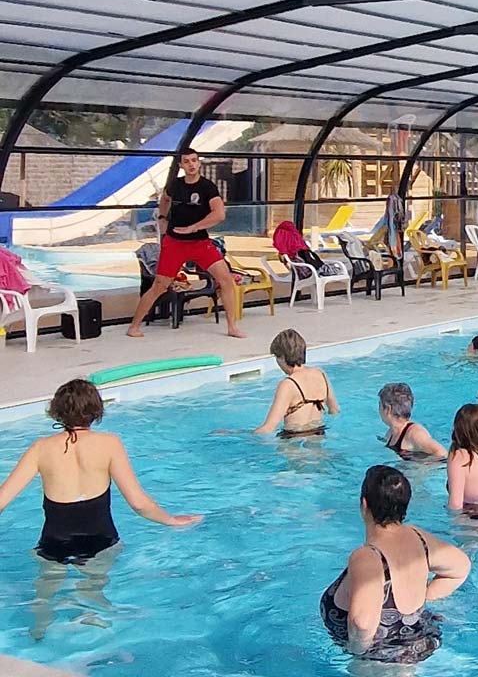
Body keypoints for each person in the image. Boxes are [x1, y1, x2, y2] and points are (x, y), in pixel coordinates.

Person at [0, 379, 202, 563]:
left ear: (57, 411)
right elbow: (138, 503)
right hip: (101, 540)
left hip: (54, 543)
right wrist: (171, 520)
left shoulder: (40, 448)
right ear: (96, 410)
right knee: (94, 599)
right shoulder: (110, 444)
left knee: (43, 601)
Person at [320, 465, 471, 662]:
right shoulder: (419, 538)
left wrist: (355, 655)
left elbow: (362, 624)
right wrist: (425, 598)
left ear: (364, 505)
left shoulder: (367, 557)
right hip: (419, 647)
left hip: (377, 665)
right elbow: (461, 567)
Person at [127, 149, 245, 338]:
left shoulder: (208, 187)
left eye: (194, 160)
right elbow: (165, 199)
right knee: (159, 285)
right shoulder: (175, 185)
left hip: (200, 243)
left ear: (199, 163)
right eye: (187, 161)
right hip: (175, 243)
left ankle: (232, 327)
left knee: (226, 280)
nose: (191, 164)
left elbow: (219, 214)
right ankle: (134, 327)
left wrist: (194, 227)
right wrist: (163, 218)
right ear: (181, 166)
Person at [254, 329, 339, 437]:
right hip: (319, 432)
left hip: (293, 437)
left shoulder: (288, 385)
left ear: (283, 357)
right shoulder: (320, 374)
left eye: (276, 357)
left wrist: (241, 436)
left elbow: (269, 427)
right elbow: (334, 410)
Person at [379, 383, 447, 459]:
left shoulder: (415, 433)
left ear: (388, 409)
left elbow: (442, 453)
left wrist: (418, 466)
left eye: (380, 405)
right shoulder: (391, 432)